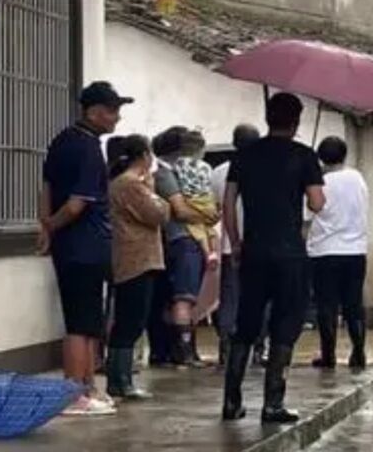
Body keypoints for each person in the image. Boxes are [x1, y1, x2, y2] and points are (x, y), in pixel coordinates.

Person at [222, 93, 326, 424]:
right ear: (296, 122)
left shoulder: (245, 155)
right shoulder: (304, 155)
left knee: (246, 323)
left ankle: (231, 401)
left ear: (268, 118)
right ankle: (272, 403)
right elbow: (317, 204)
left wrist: (236, 242)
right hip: (290, 254)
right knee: (285, 324)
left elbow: (228, 203)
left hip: (253, 250)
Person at [39, 81, 132, 417]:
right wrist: (53, 224)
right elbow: (77, 204)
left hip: (71, 246)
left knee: (89, 320)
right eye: (112, 111)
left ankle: (89, 386)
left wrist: (46, 225)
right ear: (93, 112)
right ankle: (74, 392)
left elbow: (47, 186)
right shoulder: (89, 149)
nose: (116, 118)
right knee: (81, 322)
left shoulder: (61, 141)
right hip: (87, 245)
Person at [105, 135, 170, 401]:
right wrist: (156, 193)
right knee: (130, 321)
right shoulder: (131, 185)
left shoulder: (124, 184)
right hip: (136, 258)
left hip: (136, 257)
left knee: (131, 319)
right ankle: (120, 379)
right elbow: (159, 214)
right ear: (144, 156)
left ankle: (121, 378)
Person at [152, 126, 217, 367]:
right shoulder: (166, 175)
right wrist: (205, 215)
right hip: (182, 240)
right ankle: (184, 352)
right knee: (184, 297)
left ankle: (174, 350)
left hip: (180, 240)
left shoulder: (177, 173)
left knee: (179, 297)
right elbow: (180, 210)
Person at [308, 136, 369, 371]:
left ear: (321, 158)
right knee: (354, 303)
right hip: (355, 250)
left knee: (326, 306)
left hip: (324, 251)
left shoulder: (318, 181)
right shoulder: (358, 178)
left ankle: (329, 355)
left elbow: (311, 211)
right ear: (344, 155)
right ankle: (359, 352)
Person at [210, 124, 261, 367]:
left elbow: (213, 210)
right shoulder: (266, 169)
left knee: (229, 296)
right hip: (259, 244)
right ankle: (259, 347)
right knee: (260, 297)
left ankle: (226, 347)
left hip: (229, 245)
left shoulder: (219, 172)